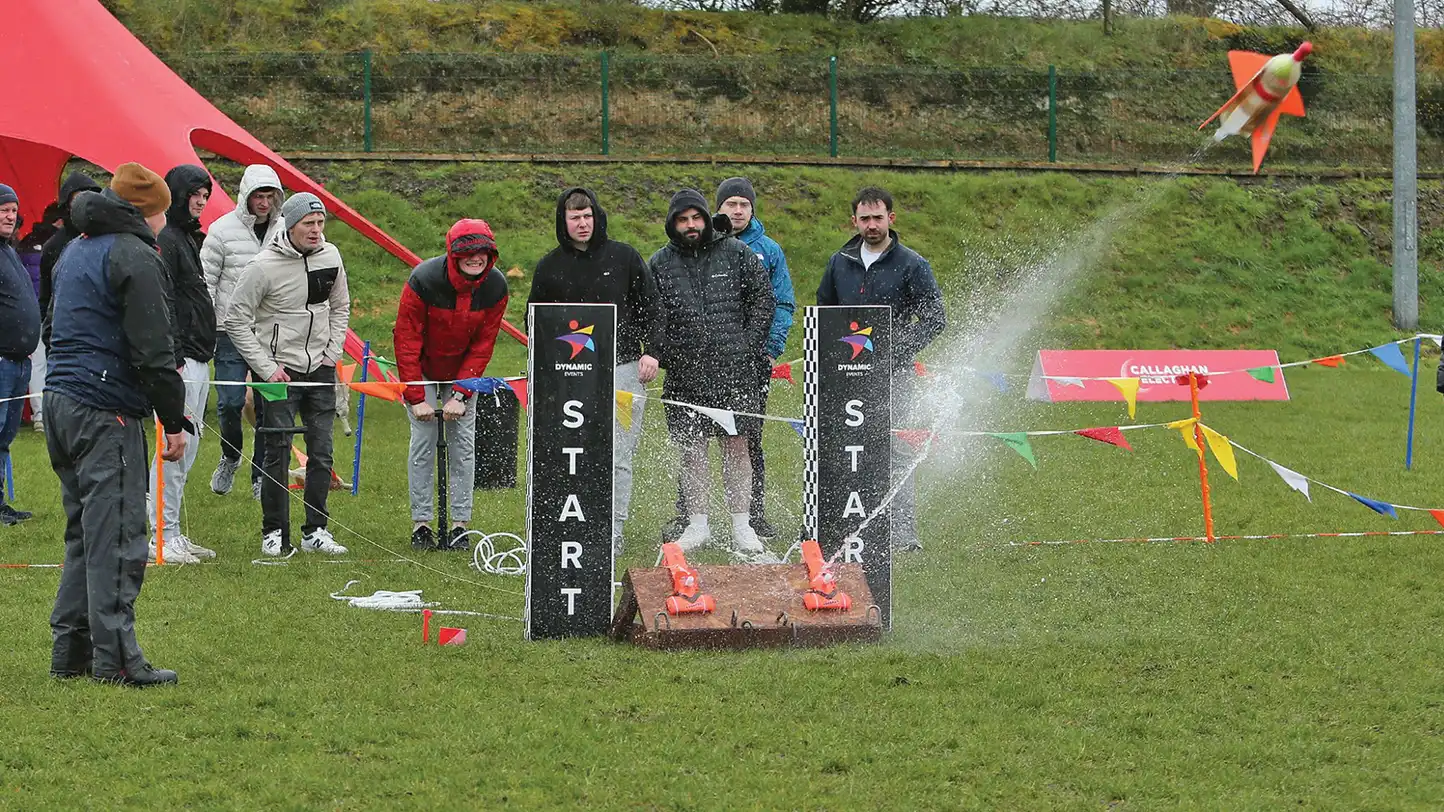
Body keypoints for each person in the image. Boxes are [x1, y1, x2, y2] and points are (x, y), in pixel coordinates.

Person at [46, 163, 191, 686]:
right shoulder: (133, 254)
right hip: (104, 408)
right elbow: (155, 350)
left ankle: (71, 652)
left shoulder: (74, 247)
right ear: (151, 211)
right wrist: (173, 419)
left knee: (84, 533)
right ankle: (118, 659)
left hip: (61, 399)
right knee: (119, 532)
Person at [528, 187, 665, 555]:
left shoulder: (625, 257)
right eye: (575, 217)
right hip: (570, 375)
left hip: (622, 371)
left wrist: (651, 352)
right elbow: (536, 323)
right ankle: (573, 520)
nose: (582, 223)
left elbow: (653, 307)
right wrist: (544, 371)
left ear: (597, 216)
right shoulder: (549, 267)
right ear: (564, 221)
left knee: (618, 453)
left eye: (587, 215)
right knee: (573, 450)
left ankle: (613, 529)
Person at [817, 186, 946, 552]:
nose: (871, 225)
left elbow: (936, 318)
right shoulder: (838, 262)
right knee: (846, 448)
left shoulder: (912, 264)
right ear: (854, 221)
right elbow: (824, 309)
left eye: (878, 217)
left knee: (897, 449)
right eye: (864, 218)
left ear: (891, 218)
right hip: (845, 373)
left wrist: (894, 352)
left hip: (895, 374)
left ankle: (903, 535)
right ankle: (844, 525)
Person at [649, 189, 775, 561]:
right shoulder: (659, 262)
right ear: (673, 223)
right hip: (685, 376)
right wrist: (669, 355)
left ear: (706, 218)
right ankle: (697, 524)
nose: (691, 225)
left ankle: (742, 524)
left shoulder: (736, 252)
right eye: (682, 220)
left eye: (696, 218)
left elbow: (764, 300)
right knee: (692, 451)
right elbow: (653, 316)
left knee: (738, 447)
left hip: (736, 373)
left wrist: (748, 347)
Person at [223, 193, 350, 557]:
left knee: (322, 453)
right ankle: (274, 532)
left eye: (320, 222)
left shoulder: (332, 256)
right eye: (308, 223)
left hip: (320, 370)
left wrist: (333, 352)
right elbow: (235, 319)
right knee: (277, 453)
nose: (316, 230)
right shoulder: (262, 266)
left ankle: (316, 530)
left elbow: (340, 306)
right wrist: (266, 367)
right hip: (277, 373)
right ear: (290, 225)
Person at [393, 219, 508, 552]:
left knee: (463, 447)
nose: (476, 258)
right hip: (424, 368)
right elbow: (407, 339)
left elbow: (484, 344)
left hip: (462, 370)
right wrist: (416, 397)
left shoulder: (496, 288)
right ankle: (422, 525)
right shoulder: (423, 280)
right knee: (423, 443)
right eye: (468, 253)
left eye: (482, 252)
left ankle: (459, 525)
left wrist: (462, 392)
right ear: (453, 254)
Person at [146, 165, 217, 564]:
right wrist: (171, 358)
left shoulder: (189, 239)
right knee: (174, 446)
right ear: (177, 194)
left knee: (188, 448)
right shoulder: (168, 241)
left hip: (198, 357)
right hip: (180, 361)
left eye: (205, 193)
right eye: (195, 193)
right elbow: (164, 301)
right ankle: (162, 534)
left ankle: (171, 529)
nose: (202, 199)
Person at [202, 165, 287, 499]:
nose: (264, 203)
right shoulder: (221, 230)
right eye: (258, 196)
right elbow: (207, 281)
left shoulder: (286, 229)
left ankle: (260, 474)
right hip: (227, 330)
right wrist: (207, 326)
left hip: (269, 332)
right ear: (246, 197)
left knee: (269, 406)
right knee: (229, 402)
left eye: (270, 197)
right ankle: (230, 455)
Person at [0, 184, 40, 525]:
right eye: (3, 209)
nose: (10, 216)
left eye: (13, 210)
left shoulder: (9, 250)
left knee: (4, 436)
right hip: (0, 362)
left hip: (17, 362)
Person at [39, 172, 102, 347]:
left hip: (99, 332)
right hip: (64, 333)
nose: (85, 205)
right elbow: (46, 296)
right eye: (78, 199)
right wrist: (50, 339)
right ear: (67, 205)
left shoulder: (105, 238)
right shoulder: (54, 246)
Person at [17, 203, 61, 433]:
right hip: (53, 310)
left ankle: (39, 413)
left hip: (29, 312)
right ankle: (54, 412)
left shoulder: (24, 243)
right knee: (55, 360)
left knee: (37, 363)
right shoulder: (59, 244)